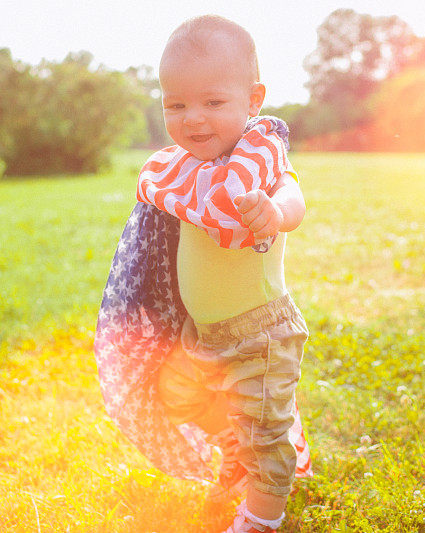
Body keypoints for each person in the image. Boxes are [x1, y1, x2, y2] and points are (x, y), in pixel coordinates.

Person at [131, 14, 308, 533]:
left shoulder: (261, 158)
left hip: (261, 333)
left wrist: (274, 212)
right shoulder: (183, 172)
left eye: (213, 102)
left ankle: (261, 517)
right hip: (203, 332)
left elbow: (293, 198)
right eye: (177, 104)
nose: (194, 118)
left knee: (264, 432)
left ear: (253, 100)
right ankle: (235, 444)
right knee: (175, 394)